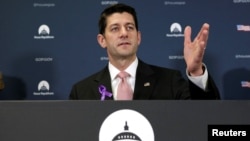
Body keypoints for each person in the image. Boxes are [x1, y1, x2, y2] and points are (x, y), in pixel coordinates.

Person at [69, 3, 220, 100]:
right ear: (102, 40)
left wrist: (196, 72)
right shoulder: (81, 92)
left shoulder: (170, 81)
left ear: (138, 37)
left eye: (129, 27)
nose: (124, 33)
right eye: (115, 28)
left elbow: (204, 116)